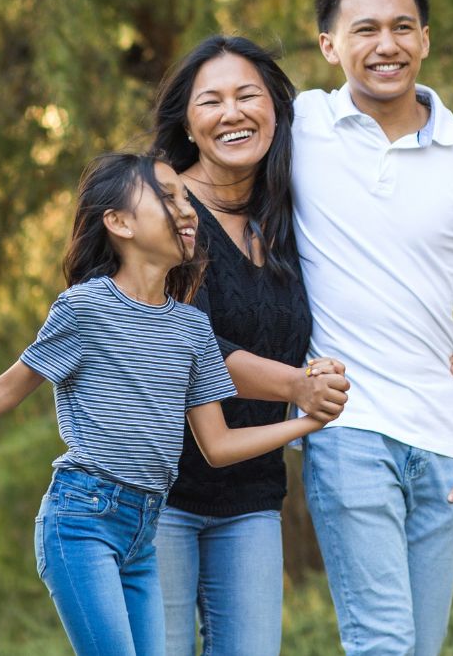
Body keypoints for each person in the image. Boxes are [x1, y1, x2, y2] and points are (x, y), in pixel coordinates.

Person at [0, 152, 341, 656]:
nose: (187, 210)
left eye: (187, 198)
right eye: (168, 196)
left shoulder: (191, 330)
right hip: (82, 520)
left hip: (144, 534)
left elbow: (219, 445)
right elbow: (7, 389)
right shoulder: (85, 308)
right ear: (118, 222)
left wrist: (305, 422)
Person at [294, 0, 453, 656]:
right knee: (383, 643)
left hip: (443, 438)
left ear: (424, 40)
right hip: (345, 425)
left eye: (401, 27)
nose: (385, 44)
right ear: (330, 44)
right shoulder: (298, 124)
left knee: (420, 646)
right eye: (364, 29)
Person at [147, 36, 345, 656]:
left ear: (276, 112)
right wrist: (296, 388)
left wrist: (444, 350)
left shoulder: (290, 216)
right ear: (188, 122)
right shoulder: (162, 210)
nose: (232, 113)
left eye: (247, 96)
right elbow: (194, 345)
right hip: (160, 493)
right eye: (212, 101)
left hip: (253, 496)